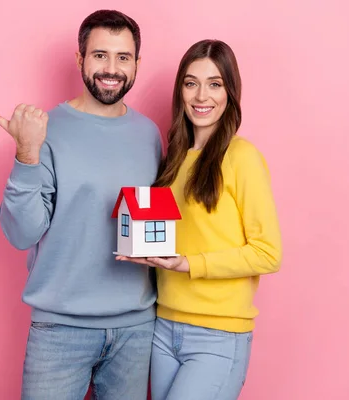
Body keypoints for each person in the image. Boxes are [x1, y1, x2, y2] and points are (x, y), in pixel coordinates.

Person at [0, 10, 162, 400]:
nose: (111, 68)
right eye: (100, 55)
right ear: (80, 59)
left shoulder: (149, 134)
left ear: (136, 64)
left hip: (136, 329)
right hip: (60, 331)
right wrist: (27, 154)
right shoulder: (45, 130)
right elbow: (21, 234)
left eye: (123, 57)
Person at [117, 39, 283, 400]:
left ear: (230, 92)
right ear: (181, 90)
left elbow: (268, 253)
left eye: (215, 83)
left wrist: (189, 263)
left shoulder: (242, 157)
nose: (201, 95)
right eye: (191, 83)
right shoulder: (173, 160)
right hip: (163, 328)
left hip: (217, 336)